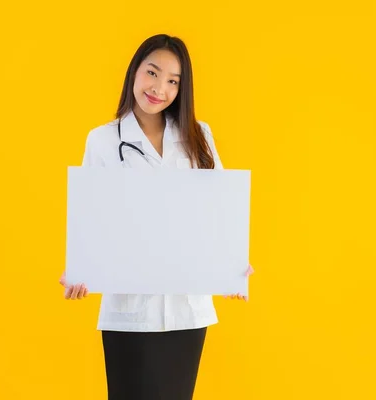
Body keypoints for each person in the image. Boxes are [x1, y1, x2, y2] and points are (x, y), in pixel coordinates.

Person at [58, 33, 254, 400]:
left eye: (172, 81)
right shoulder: (102, 140)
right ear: (135, 71)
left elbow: (218, 212)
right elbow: (92, 219)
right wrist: (80, 267)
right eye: (152, 73)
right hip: (129, 313)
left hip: (187, 311)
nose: (159, 88)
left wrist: (233, 263)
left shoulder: (199, 137)